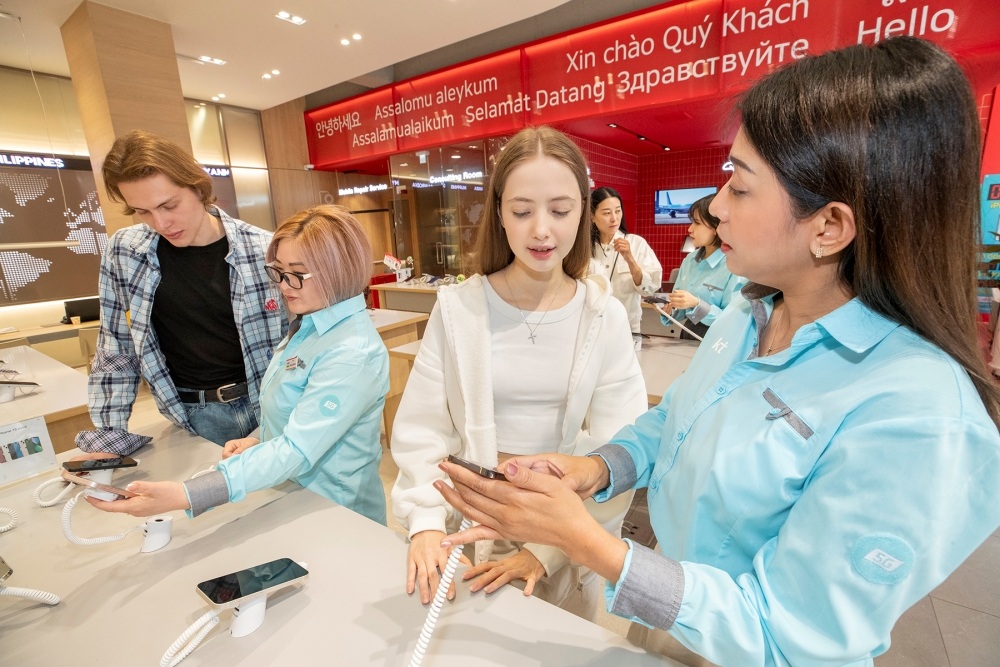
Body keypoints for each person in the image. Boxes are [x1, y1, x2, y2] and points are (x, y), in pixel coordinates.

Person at [436, 37, 1000, 667]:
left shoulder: (916, 416)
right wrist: (596, 469)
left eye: (739, 185)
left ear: (830, 227)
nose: (716, 208)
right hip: (664, 617)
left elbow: (789, 637)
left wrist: (591, 548)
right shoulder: (749, 312)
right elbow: (673, 421)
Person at [390, 127, 647, 617]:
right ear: (500, 213)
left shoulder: (602, 314)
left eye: (561, 209)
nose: (542, 230)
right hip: (468, 520)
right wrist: (425, 522)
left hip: (565, 532)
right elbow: (424, 427)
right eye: (523, 211)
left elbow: (621, 446)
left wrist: (547, 550)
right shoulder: (459, 309)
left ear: (584, 213)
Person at [86, 205, 389, 524]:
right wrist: (259, 437)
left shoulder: (352, 352)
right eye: (279, 272)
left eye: (297, 275)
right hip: (295, 499)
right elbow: (299, 410)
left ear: (338, 270)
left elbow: (299, 449)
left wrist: (187, 493)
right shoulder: (309, 326)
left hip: (338, 514)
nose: (284, 286)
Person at [78, 130, 287, 454]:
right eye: (143, 212)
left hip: (274, 408)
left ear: (198, 187)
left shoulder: (264, 248)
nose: (161, 222)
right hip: (195, 415)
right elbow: (116, 349)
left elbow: (304, 344)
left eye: (169, 205)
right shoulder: (125, 253)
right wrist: (108, 436)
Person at [661, 194, 744, 340]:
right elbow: (682, 308)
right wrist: (671, 310)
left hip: (718, 340)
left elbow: (733, 319)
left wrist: (697, 304)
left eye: (697, 223)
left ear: (716, 226)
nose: (690, 229)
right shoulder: (690, 260)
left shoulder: (734, 265)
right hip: (688, 334)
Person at [589, 186, 662, 349]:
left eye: (618, 211)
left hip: (628, 331)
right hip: (591, 330)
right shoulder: (584, 250)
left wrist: (629, 258)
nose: (614, 218)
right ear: (592, 216)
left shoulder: (636, 243)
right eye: (607, 213)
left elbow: (649, 289)